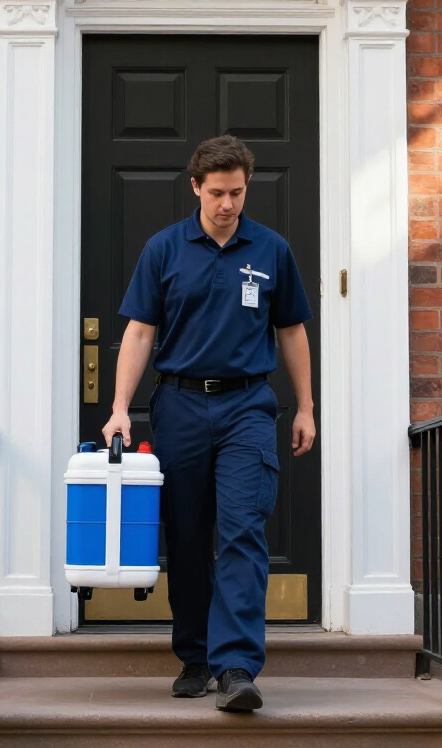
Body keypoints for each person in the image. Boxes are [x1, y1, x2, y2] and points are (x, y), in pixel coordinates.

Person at [102, 135, 315, 712]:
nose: (228, 204)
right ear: (195, 187)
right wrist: (121, 407)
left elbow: (292, 330)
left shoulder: (270, 250)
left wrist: (306, 406)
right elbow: (140, 332)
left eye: (237, 193)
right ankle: (195, 656)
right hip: (180, 406)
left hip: (248, 405)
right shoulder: (165, 249)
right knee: (188, 535)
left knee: (243, 530)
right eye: (218, 193)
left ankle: (237, 666)